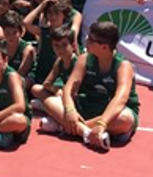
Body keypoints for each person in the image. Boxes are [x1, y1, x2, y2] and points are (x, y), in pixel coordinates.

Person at [57, 21, 140, 151]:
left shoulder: (123, 65)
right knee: (51, 99)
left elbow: (121, 99)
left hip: (112, 113)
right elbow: (68, 88)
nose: (86, 41)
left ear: (104, 47)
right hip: (88, 105)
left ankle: (65, 127)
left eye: (91, 39)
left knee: (125, 119)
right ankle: (84, 132)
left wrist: (102, 124)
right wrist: (70, 110)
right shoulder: (84, 58)